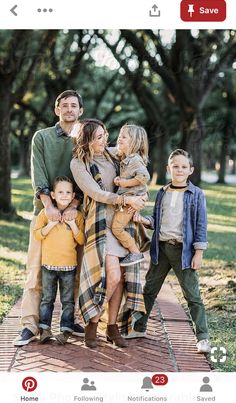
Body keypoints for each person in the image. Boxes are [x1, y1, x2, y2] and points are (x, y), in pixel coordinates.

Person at [14, 90, 85, 346]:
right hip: (45, 212)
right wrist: (48, 205)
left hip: (75, 213)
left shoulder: (83, 139)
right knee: (36, 272)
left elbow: (86, 173)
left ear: (80, 111)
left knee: (75, 271)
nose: (68, 109)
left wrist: (74, 205)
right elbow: (39, 173)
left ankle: (70, 320)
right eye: (64, 105)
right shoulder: (41, 137)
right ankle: (30, 325)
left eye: (73, 106)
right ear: (57, 110)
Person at [70, 118, 148, 349]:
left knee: (123, 279)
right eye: (99, 137)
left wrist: (140, 196)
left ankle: (112, 327)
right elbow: (95, 193)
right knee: (111, 276)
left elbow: (134, 157)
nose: (106, 140)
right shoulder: (79, 163)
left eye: (106, 135)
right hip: (102, 224)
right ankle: (93, 321)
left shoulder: (113, 154)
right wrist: (126, 198)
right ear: (87, 141)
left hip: (123, 223)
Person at [125, 149, 211, 354]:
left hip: (184, 252)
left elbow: (200, 225)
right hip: (161, 249)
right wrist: (144, 220)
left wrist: (198, 252)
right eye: (175, 166)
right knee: (149, 290)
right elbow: (157, 220)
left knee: (192, 295)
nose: (179, 170)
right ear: (168, 168)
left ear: (191, 170)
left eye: (183, 167)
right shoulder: (163, 192)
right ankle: (139, 327)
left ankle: (203, 338)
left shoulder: (196, 194)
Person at [34, 176, 85, 345]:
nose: (64, 195)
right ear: (53, 195)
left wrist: (73, 225)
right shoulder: (45, 213)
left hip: (69, 267)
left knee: (68, 301)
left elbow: (81, 240)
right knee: (47, 298)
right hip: (48, 265)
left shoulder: (76, 216)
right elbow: (37, 234)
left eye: (68, 192)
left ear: (73, 197)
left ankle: (65, 330)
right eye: (60, 192)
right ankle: (45, 329)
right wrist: (50, 224)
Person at [112, 124, 150, 266]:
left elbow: (144, 177)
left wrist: (124, 183)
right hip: (132, 198)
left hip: (131, 199)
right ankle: (145, 239)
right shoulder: (126, 157)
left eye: (124, 137)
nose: (119, 139)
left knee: (117, 228)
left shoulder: (134, 160)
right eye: (120, 135)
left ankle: (135, 252)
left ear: (134, 142)